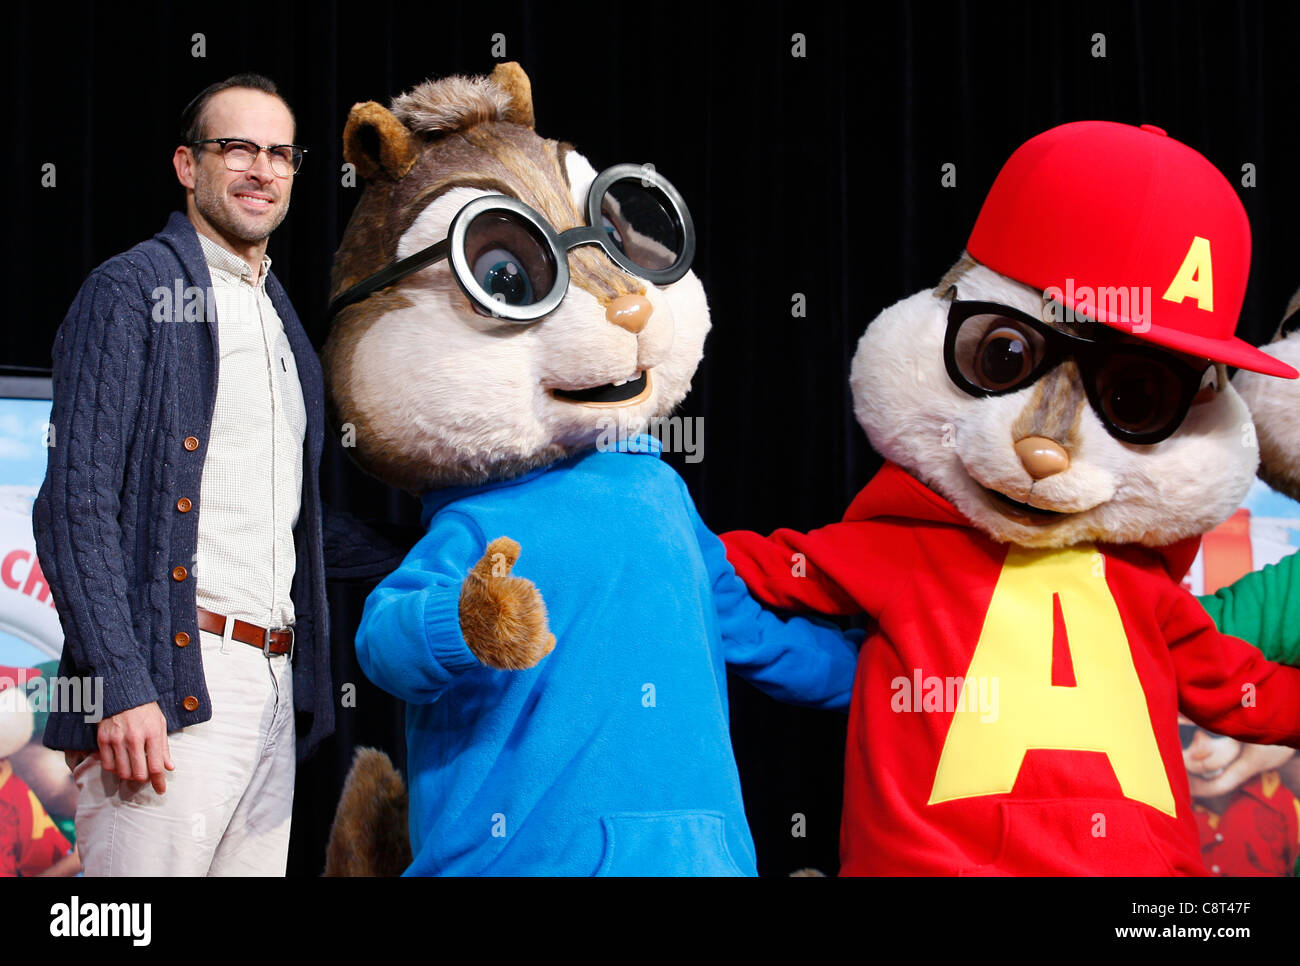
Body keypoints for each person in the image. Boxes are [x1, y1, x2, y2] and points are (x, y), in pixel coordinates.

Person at [32, 73, 333, 876]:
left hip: (273, 686)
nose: (260, 169)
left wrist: (454, 537)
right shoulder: (132, 290)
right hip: (173, 680)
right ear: (186, 165)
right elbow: (74, 504)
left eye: (279, 153)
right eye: (235, 147)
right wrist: (124, 687)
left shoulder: (279, 319)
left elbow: (299, 520)